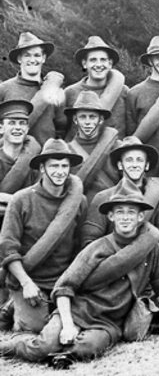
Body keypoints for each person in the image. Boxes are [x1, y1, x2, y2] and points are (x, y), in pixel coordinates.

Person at [0, 180, 159, 367]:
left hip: (108, 323)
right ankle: (11, 346)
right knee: (42, 347)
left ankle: (63, 353)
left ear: (140, 217)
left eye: (132, 212)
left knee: (87, 348)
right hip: (76, 312)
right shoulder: (97, 248)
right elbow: (63, 288)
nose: (126, 217)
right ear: (111, 216)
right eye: (120, 212)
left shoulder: (150, 248)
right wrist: (68, 325)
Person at [0, 139, 87, 333]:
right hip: (30, 279)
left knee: (76, 324)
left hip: (63, 280)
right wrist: (26, 283)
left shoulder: (78, 202)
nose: (60, 171)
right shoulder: (21, 200)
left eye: (64, 166)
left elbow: (80, 245)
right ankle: (12, 305)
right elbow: (7, 248)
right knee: (34, 329)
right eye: (54, 165)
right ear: (42, 168)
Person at [84, 136, 159, 269]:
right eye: (129, 160)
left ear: (146, 165)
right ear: (120, 165)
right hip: (110, 271)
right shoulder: (103, 198)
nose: (134, 165)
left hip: (145, 271)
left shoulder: (158, 199)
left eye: (139, 160)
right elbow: (89, 243)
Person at [0, 32, 66, 145]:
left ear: (43, 58)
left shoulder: (55, 91)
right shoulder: (4, 89)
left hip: (45, 157)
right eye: (27, 55)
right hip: (14, 160)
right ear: (20, 59)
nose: (32, 59)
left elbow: (61, 126)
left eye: (37, 55)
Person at [62, 36, 128, 138]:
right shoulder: (70, 93)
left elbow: (131, 128)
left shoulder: (124, 92)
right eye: (93, 60)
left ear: (110, 64)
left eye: (103, 60)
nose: (98, 64)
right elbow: (63, 130)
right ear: (84, 64)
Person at [65, 91, 121, 202]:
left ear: (100, 120)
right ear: (75, 120)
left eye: (92, 117)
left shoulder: (116, 147)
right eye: (82, 117)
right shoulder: (67, 151)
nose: (87, 122)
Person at [0, 100, 40, 206]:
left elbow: (37, 200)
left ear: (27, 129)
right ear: (1, 128)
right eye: (12, 123)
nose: (18, 128)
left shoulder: (36, 163)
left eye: (22, 123)